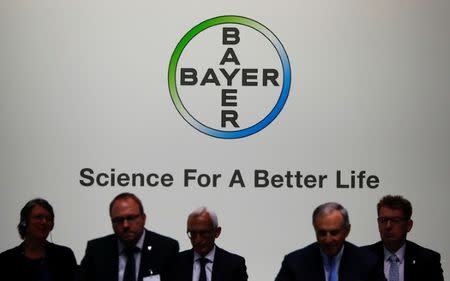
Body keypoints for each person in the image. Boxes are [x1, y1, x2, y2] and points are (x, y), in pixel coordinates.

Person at [80, 192, 179, 281]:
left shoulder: (166, 248)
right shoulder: (97, 250)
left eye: (131, 218)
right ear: (112, 222)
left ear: (143, 218)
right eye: (119, 220)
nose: (125, 225)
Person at [274, 202, 385, 281]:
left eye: (334, 233)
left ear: (347, 230)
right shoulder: (294, 263)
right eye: (322, 233)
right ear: (315, 229)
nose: (328, 240)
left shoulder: (368, 262)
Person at [362, 195, 444, 281]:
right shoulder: (361, 258)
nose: (388, 226)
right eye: (383, 220)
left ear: (409, 225)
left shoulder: (428, 260)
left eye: (395, 221)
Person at [0, 198, 78, 281]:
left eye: (48, 218)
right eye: (38, 217)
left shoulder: (64, 256)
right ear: (24, 222)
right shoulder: (6, 259)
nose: (44, 222)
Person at [171, 207, 248, 281]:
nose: (198, 240)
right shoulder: (175, 263)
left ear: (217, 232)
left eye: (203, 233)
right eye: (193, 233)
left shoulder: (234, 265)